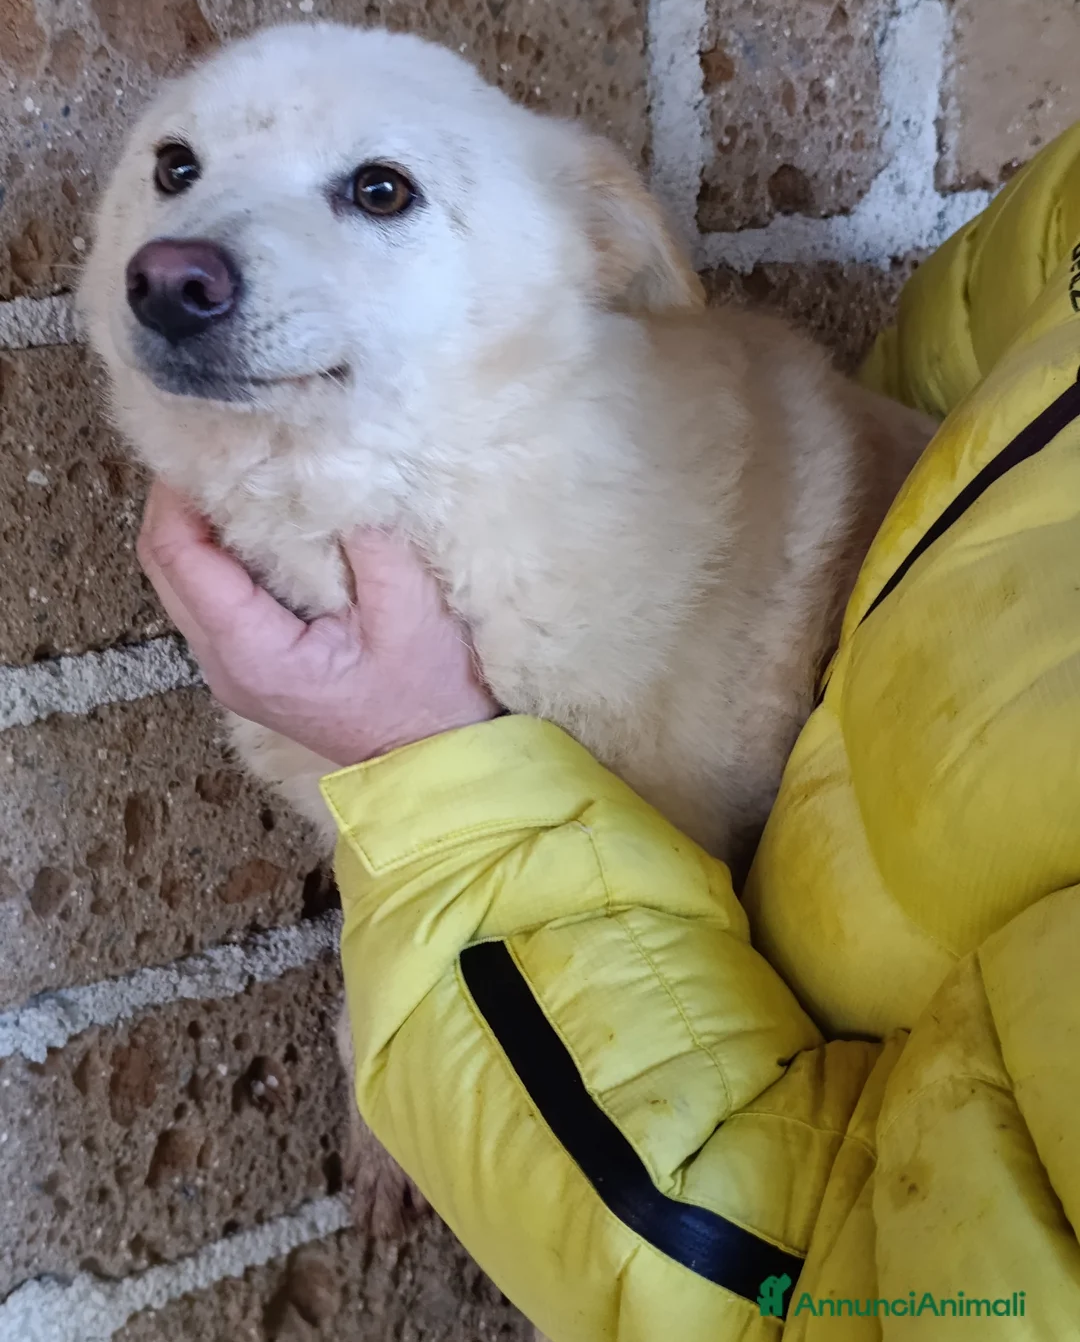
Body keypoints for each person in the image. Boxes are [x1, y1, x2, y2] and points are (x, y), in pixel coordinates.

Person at [138, 122, 1080, 1340]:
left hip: (742, 1064)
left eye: (378, 189)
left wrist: (429, 775)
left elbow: (831, 1297)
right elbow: (1010, 328)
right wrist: (827, 460)